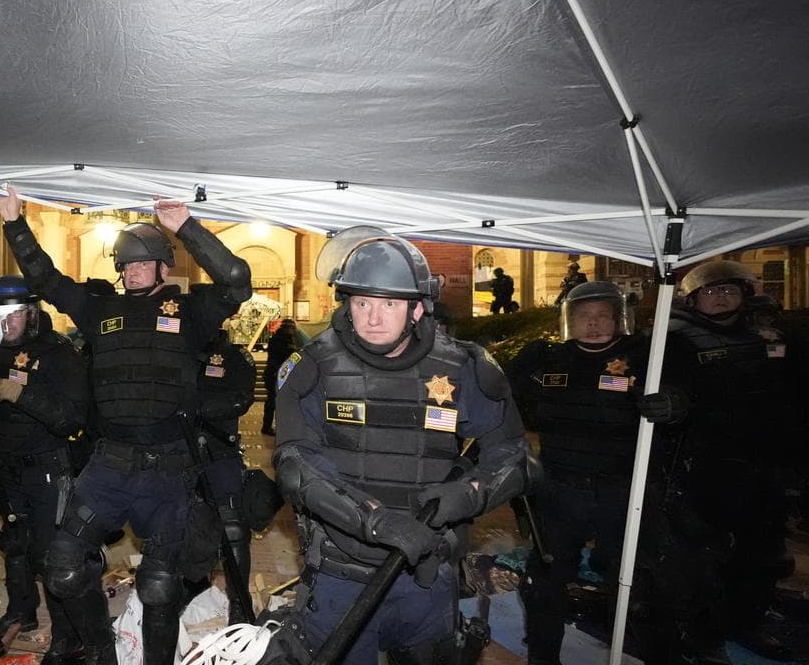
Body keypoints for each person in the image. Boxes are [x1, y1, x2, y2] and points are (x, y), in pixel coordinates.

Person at [0, 185, 252, 665]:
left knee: (159, 587)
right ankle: (100, 653)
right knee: (63, 568)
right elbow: (46, 279)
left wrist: (186, 228)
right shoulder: (101, 310)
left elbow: (238, 281)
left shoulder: (191, 313)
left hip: (168, 471)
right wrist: (15, 224)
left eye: (142, 262)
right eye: (126, 264)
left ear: (162, 266)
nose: (132, 271)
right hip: (108, 468)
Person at [269, 227, 527, 665]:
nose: (373, 317)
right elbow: (296, 467)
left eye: (389, 303)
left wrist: (466, 495)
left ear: (417, 308)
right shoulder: (312, 368)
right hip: (340, 571)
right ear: (346, 303)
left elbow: (515, 459)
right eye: (362, 302)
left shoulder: (463, 366)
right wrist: (376, 522)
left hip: (427, 576)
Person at [636, 261, 801, 663]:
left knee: (761, 553)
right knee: (700, 557)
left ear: (745, 293)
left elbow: (792, 396)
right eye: (712, 291)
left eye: (729, 289)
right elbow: (649, 387)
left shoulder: (769, 336)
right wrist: (670, 403)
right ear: (694, 299)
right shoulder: (672, 339)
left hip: (762, 464)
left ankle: (747, 620)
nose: (721, 296)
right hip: (704, 465)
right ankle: (701, 634)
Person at [508, 281, 646, 665]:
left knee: (631, 579)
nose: (594, 324)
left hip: (620, 492)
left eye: (603, 316)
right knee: (545, 581)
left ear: (619, 319)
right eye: (584, 317)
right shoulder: (551, 360)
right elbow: (501, 394)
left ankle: (632, 647)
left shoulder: (642, 358)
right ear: (570, 321)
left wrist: (669, 399)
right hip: (560, 490)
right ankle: (543, 656)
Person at [0, 275, 89, 664]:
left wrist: (25, 396)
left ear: (31, 313)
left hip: (46, 465)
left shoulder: (56, 353)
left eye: (13, 315)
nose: (5, 323)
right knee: (13, 541)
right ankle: (23, 611)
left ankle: (69, 636)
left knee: (50, 552)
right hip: (4, 463)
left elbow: (71, 419)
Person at [182, 327, 257, 624]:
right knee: (178, 523)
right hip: (177, 453)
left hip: (218, 452)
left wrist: (196, 409)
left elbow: (242, 398)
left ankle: (239, 603)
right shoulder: (180, 349)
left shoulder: (235, 357)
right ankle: (192, 584)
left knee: (233, 529)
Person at [263, 318, 300, 436]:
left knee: (274, 401)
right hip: (277, 374)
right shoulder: (281, 340)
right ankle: (271, 426)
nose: (293, 331)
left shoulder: (281, 339)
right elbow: (288, 356)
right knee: (274, 402)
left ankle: (271, 426)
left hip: (276, 374)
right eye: (292, 328)